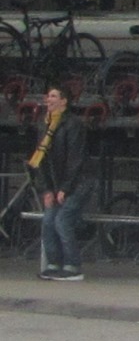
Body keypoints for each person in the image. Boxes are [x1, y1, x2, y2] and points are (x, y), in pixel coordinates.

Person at [29, 85, 89, 281]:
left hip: (77, 184)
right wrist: (46, 190)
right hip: (54, 185)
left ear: (64, 101)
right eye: (48, 96)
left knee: (61, 220)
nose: (49, 99)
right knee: (48, 222)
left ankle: (73, 265)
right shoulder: (44, 125)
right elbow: (40, 161)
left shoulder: (73, 124)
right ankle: (54, 264)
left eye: (54, 96)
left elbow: (75, 159)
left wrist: (65, 188)